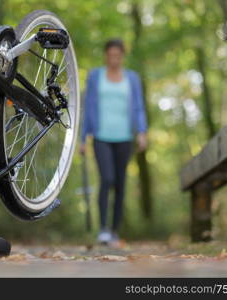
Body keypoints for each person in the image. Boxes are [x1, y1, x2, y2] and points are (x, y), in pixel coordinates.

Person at [80, 39, 148, 246]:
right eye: (110, 55)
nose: (114, 59)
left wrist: (142, 132)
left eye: (117, 55)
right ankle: (103, 229)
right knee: (107, 179)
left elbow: (138, 106)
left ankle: (114, 231)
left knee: (120, 184)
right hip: (101, 136)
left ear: (122, 56)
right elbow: (87, 106)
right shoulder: (95, 76)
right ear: (105, 55)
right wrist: (83, 138)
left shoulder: (132, 78)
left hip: (124, 137)